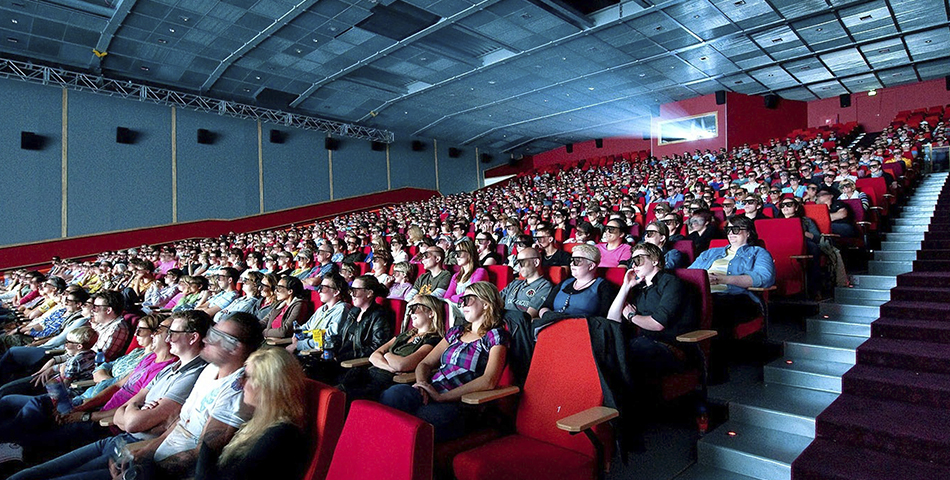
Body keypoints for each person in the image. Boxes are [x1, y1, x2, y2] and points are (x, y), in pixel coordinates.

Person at [380, 282, 509, 442]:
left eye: (467, 299)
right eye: (461, 300)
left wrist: (444, 397)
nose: (462, 304)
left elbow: (489, 380)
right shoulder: (456, 332)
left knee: (421, 419)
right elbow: (425, 364)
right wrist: (422, 385)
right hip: (431, 390)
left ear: (485, 303)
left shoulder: (495, 336)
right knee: (393, 395)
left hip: (461, 402)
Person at [194, 348, 308, 480]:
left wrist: (214, 425)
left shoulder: (281, 434)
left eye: (247, 377)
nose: (240, 383)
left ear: (267, 386)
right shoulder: (261, 421)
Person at [607, 242, 699, 388]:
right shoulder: (639, 288)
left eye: (638, 260)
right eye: (632, 261)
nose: (634, 265)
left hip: (672, 347)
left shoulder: (671, 283)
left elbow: (657, 324)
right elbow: (612, 319)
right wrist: (626, 286)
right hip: (643, 342)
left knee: (622, 358)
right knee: (606, 352)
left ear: (655, 260)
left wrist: (632, 316)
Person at [337, 294, 444, 401]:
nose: (410, 313)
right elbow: (373, 356)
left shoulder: (433, 340)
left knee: (345, 396)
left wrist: (386, 355)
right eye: (410, 308)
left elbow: (402, 365)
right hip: (370, 373)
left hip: (386, 382)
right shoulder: (405, 334)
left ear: (431, 313)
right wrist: (390, 367)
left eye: (415, 308)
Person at [689, 215, 775, 335]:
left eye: (736, 230)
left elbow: (765, 278)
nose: (731, 233)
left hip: (737, 297)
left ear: (748, 232)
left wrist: (723, 279)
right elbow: (689, 274)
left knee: (713, 308)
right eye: (728, 230)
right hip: (703, 295)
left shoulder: (758, 252)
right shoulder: (711, 252)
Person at [539, 244, 616, 318]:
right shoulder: (564, 283)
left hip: (583, 327)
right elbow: (545, 307)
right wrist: (548, 316)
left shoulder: (603, 286)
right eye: (571, 260)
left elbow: (603, 317)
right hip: (553, 325)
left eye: (577, 261)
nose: (572, 264)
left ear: (591, 266)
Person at [331, 275, 392, 363]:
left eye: (355, 291)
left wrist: (345, 357)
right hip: (341, 358)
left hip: (357, 363)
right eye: (351, 290)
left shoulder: (379, 315)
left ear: (369, 293)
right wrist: (331, 348)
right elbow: (341, 336)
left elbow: (377, 347)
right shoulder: (354, 311)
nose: (351, 294)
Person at [289, 272, 349, 353]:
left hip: (320, 353)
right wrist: (297, 334)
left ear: (336, 292)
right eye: (319, 287)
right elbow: (307, 327)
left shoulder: (342, 309)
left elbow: (329, 338)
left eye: (323, 288)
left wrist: (299, 345)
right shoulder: (321, 309)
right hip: (307, 348)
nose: (319, 291)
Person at [499, 247, 552, 318]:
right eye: (517, 262)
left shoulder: (544, 286)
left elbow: (528, 316)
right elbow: (494, 301)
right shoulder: (514, 283)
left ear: (536, 262)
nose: (518, 266)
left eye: (522, 262)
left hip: (514, 325)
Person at [444, 240, 488, 304]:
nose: (456, 257)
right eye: (455, 253)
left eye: (459, 253)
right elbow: (446, 297)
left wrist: (453, 297)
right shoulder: (456, 276)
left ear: (469, 253)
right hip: (457, 307)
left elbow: (470, 295)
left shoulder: (480, 272)